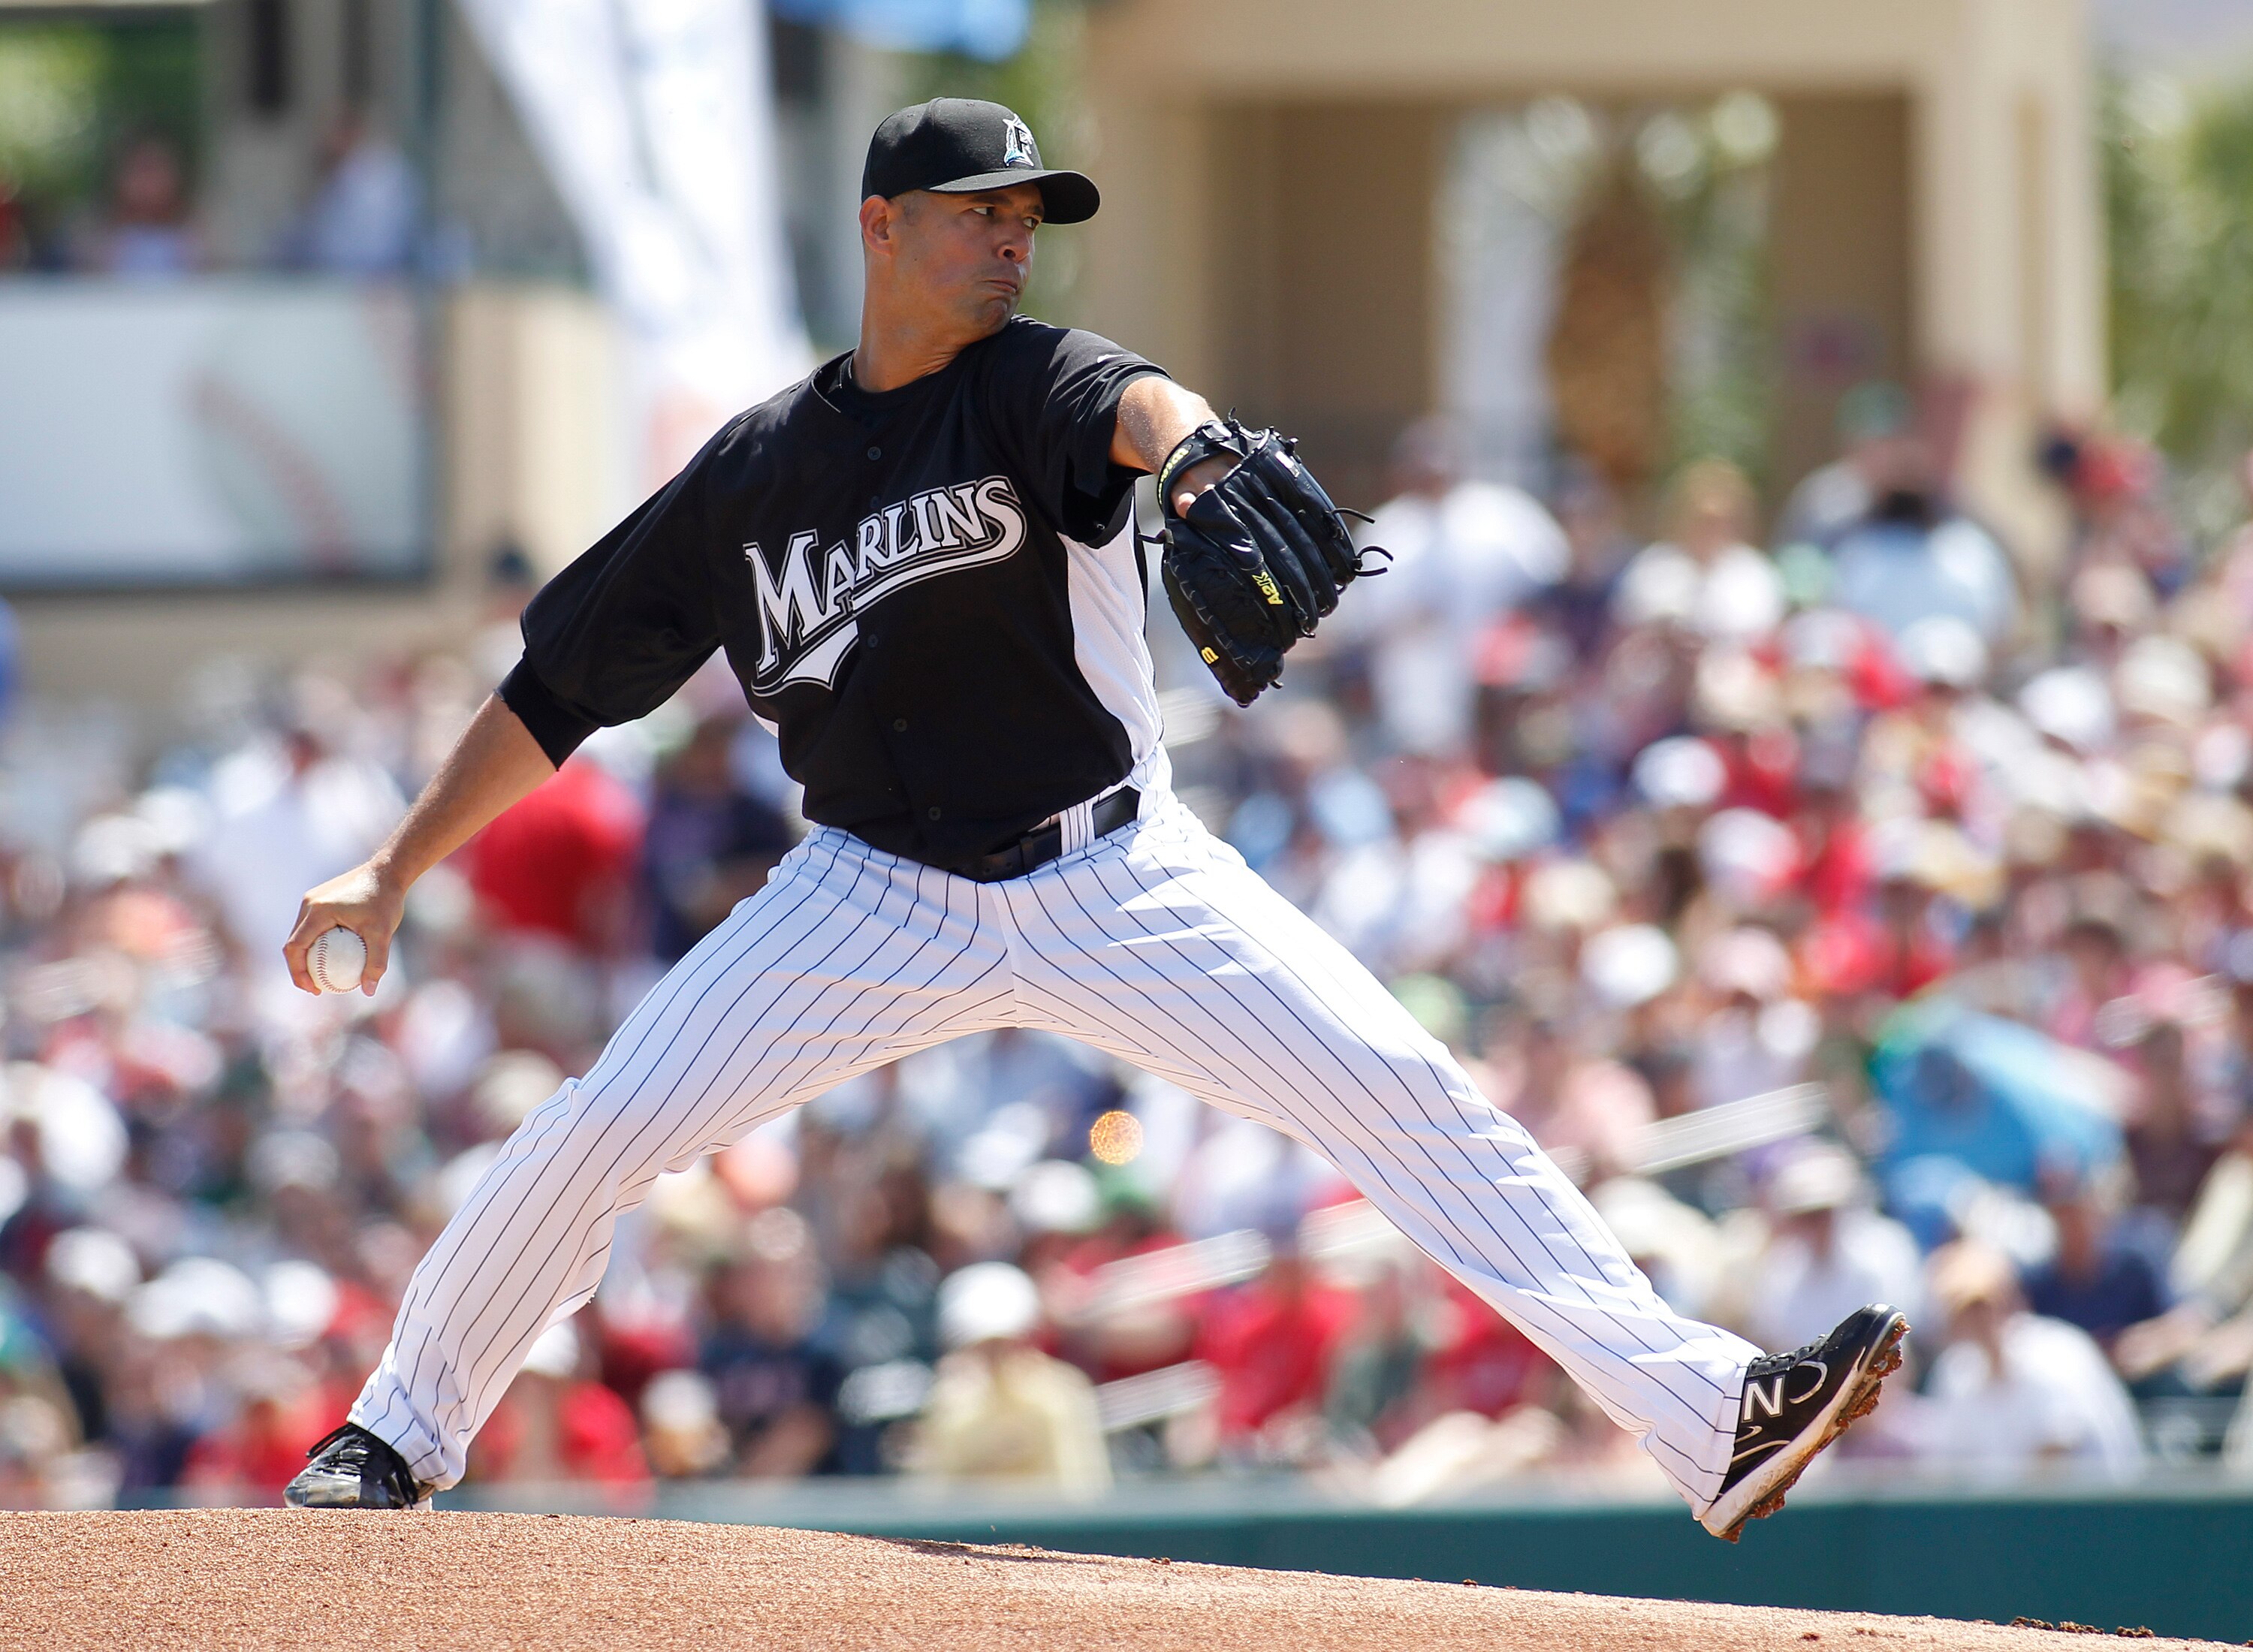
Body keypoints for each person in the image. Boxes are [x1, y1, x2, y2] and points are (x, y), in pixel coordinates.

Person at [278, 97, 1902, 1541]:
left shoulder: (1035, 386)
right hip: (866, 896)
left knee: (1411, 1095)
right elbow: (559, 685)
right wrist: (391, 862)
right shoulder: (754, 471)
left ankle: (1713, 1417)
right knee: (600, 1125)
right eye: (980, 214)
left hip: (1117, 871)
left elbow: (1138, 404)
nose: (1009, 242)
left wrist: (1193, 460)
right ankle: (396, 1431)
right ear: (880, 228)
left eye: (1024, 218)